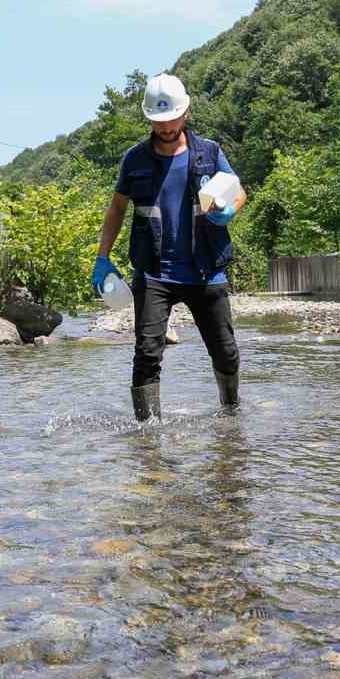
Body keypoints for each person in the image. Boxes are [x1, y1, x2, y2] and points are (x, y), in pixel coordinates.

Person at [92, 73, 247, 421]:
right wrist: (102, 258)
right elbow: (117, 208)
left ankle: (232, 415)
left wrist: (229, 211)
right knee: (147, 353)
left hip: (207, 270)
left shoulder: (210, 152)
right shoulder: (134, 160)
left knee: (226, 353)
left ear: (186, 112)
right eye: (158, 121)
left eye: (171, 119)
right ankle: (147, 434)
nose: (165, 127)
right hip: (154, 271)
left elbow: (239, 192)